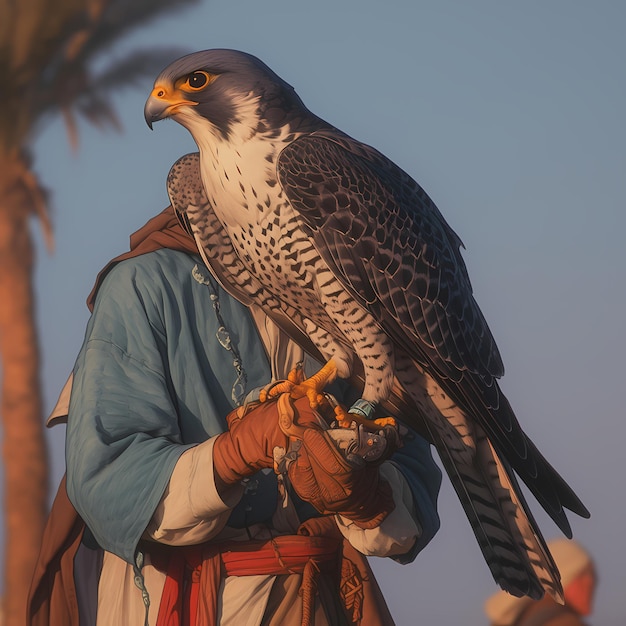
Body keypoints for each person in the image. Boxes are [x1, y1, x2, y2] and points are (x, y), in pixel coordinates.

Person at [28, 204, 442, 626]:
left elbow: (415, 478)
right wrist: (235, 453)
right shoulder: (143, 284)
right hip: (177, 599)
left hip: (320, 599)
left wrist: (367, 496)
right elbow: (104, 480)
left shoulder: (351, 282)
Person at [484, 539, 596, 626]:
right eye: (585, 575)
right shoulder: (563, 622)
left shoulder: (526, 619)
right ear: (564, 576)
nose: (590, 582)